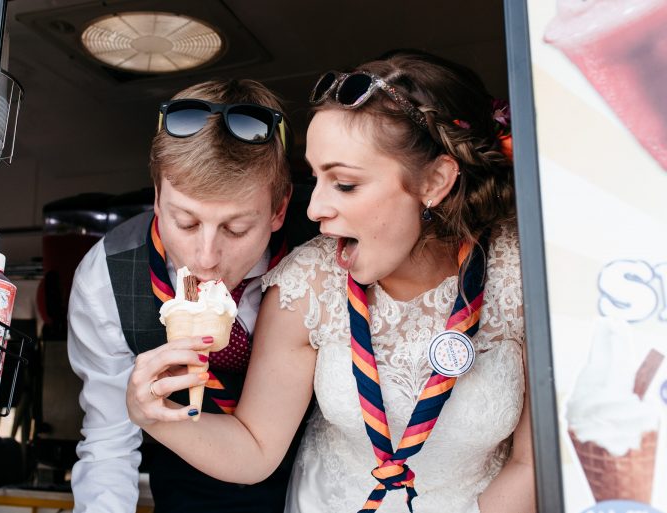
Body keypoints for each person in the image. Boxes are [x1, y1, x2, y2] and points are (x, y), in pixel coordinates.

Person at [126, 51, 535, 513]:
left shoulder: (526, 274)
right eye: (315, 178)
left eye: (343, 184)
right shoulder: (308, 281)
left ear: (436, 180)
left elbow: (532, 464)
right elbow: (256, 449)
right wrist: (153, 416)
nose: (313, 208)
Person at [68, 78, 317, 512]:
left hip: (313, 484)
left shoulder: (323, 252)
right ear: (158, 198)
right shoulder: (105, 277)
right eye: (184, 222)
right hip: (184, 485)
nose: (205, 259)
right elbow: (108, 442)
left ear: (280, 209)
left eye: (236, 229)